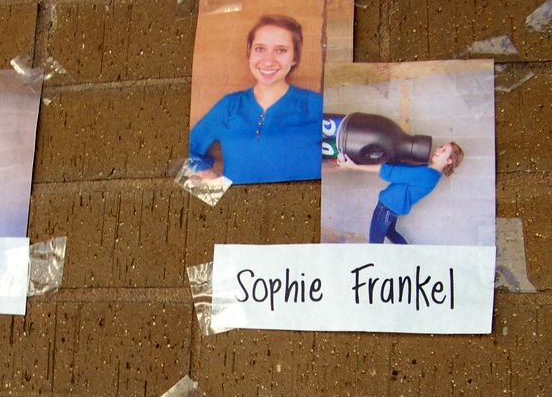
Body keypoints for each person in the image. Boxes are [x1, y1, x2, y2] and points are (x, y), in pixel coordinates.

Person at [188, 15, 323, 184]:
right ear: (249, 53)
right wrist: (213, 192)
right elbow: (183, 155)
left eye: (281, 50)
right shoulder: (229, 106)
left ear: (294, 58)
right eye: (260, 49)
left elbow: (342, 161)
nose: (268, 61)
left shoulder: (316, 105)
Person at [338, 142, 464, 244]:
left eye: (443, 150)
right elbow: (404, 168)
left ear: (448, 161)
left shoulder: (427, 174)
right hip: (392, 209)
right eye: (441, 147)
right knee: (390, 232)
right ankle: (407, 254)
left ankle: (378, 265)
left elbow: (391, 172)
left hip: (386, 208)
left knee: (374, 245)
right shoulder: (430, 170)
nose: (438, 149)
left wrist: (354, 166)